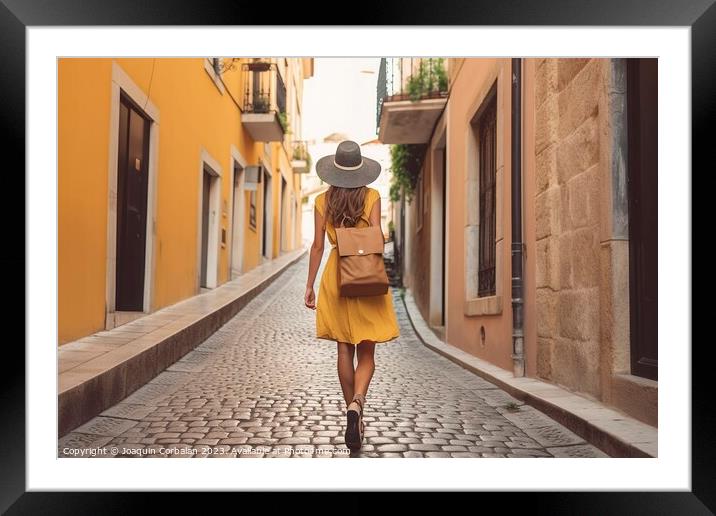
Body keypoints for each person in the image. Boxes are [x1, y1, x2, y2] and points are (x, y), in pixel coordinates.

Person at [304, 140, 400, 452]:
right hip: (366, 275)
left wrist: (310, 285)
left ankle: (352, 411)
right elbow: (378, 237)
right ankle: (358, 404)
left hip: (336, 276)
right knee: (367, 353)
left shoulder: (321, 202)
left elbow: (318, 246)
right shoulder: (372, 196)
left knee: (344, 350)